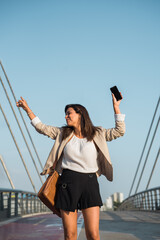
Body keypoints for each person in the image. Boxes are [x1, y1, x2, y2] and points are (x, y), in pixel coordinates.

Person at [16, 93, 125, 240]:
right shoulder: (63, 133)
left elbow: (119, 131)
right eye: (65, 114)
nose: (66, 117)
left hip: (90, 183)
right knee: (70, 235)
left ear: (80, 115)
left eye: (69, 113)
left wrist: (116, 107)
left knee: (93, 235)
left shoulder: (97, 133)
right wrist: (27, 109)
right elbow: (41, 127)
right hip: (67, 183)